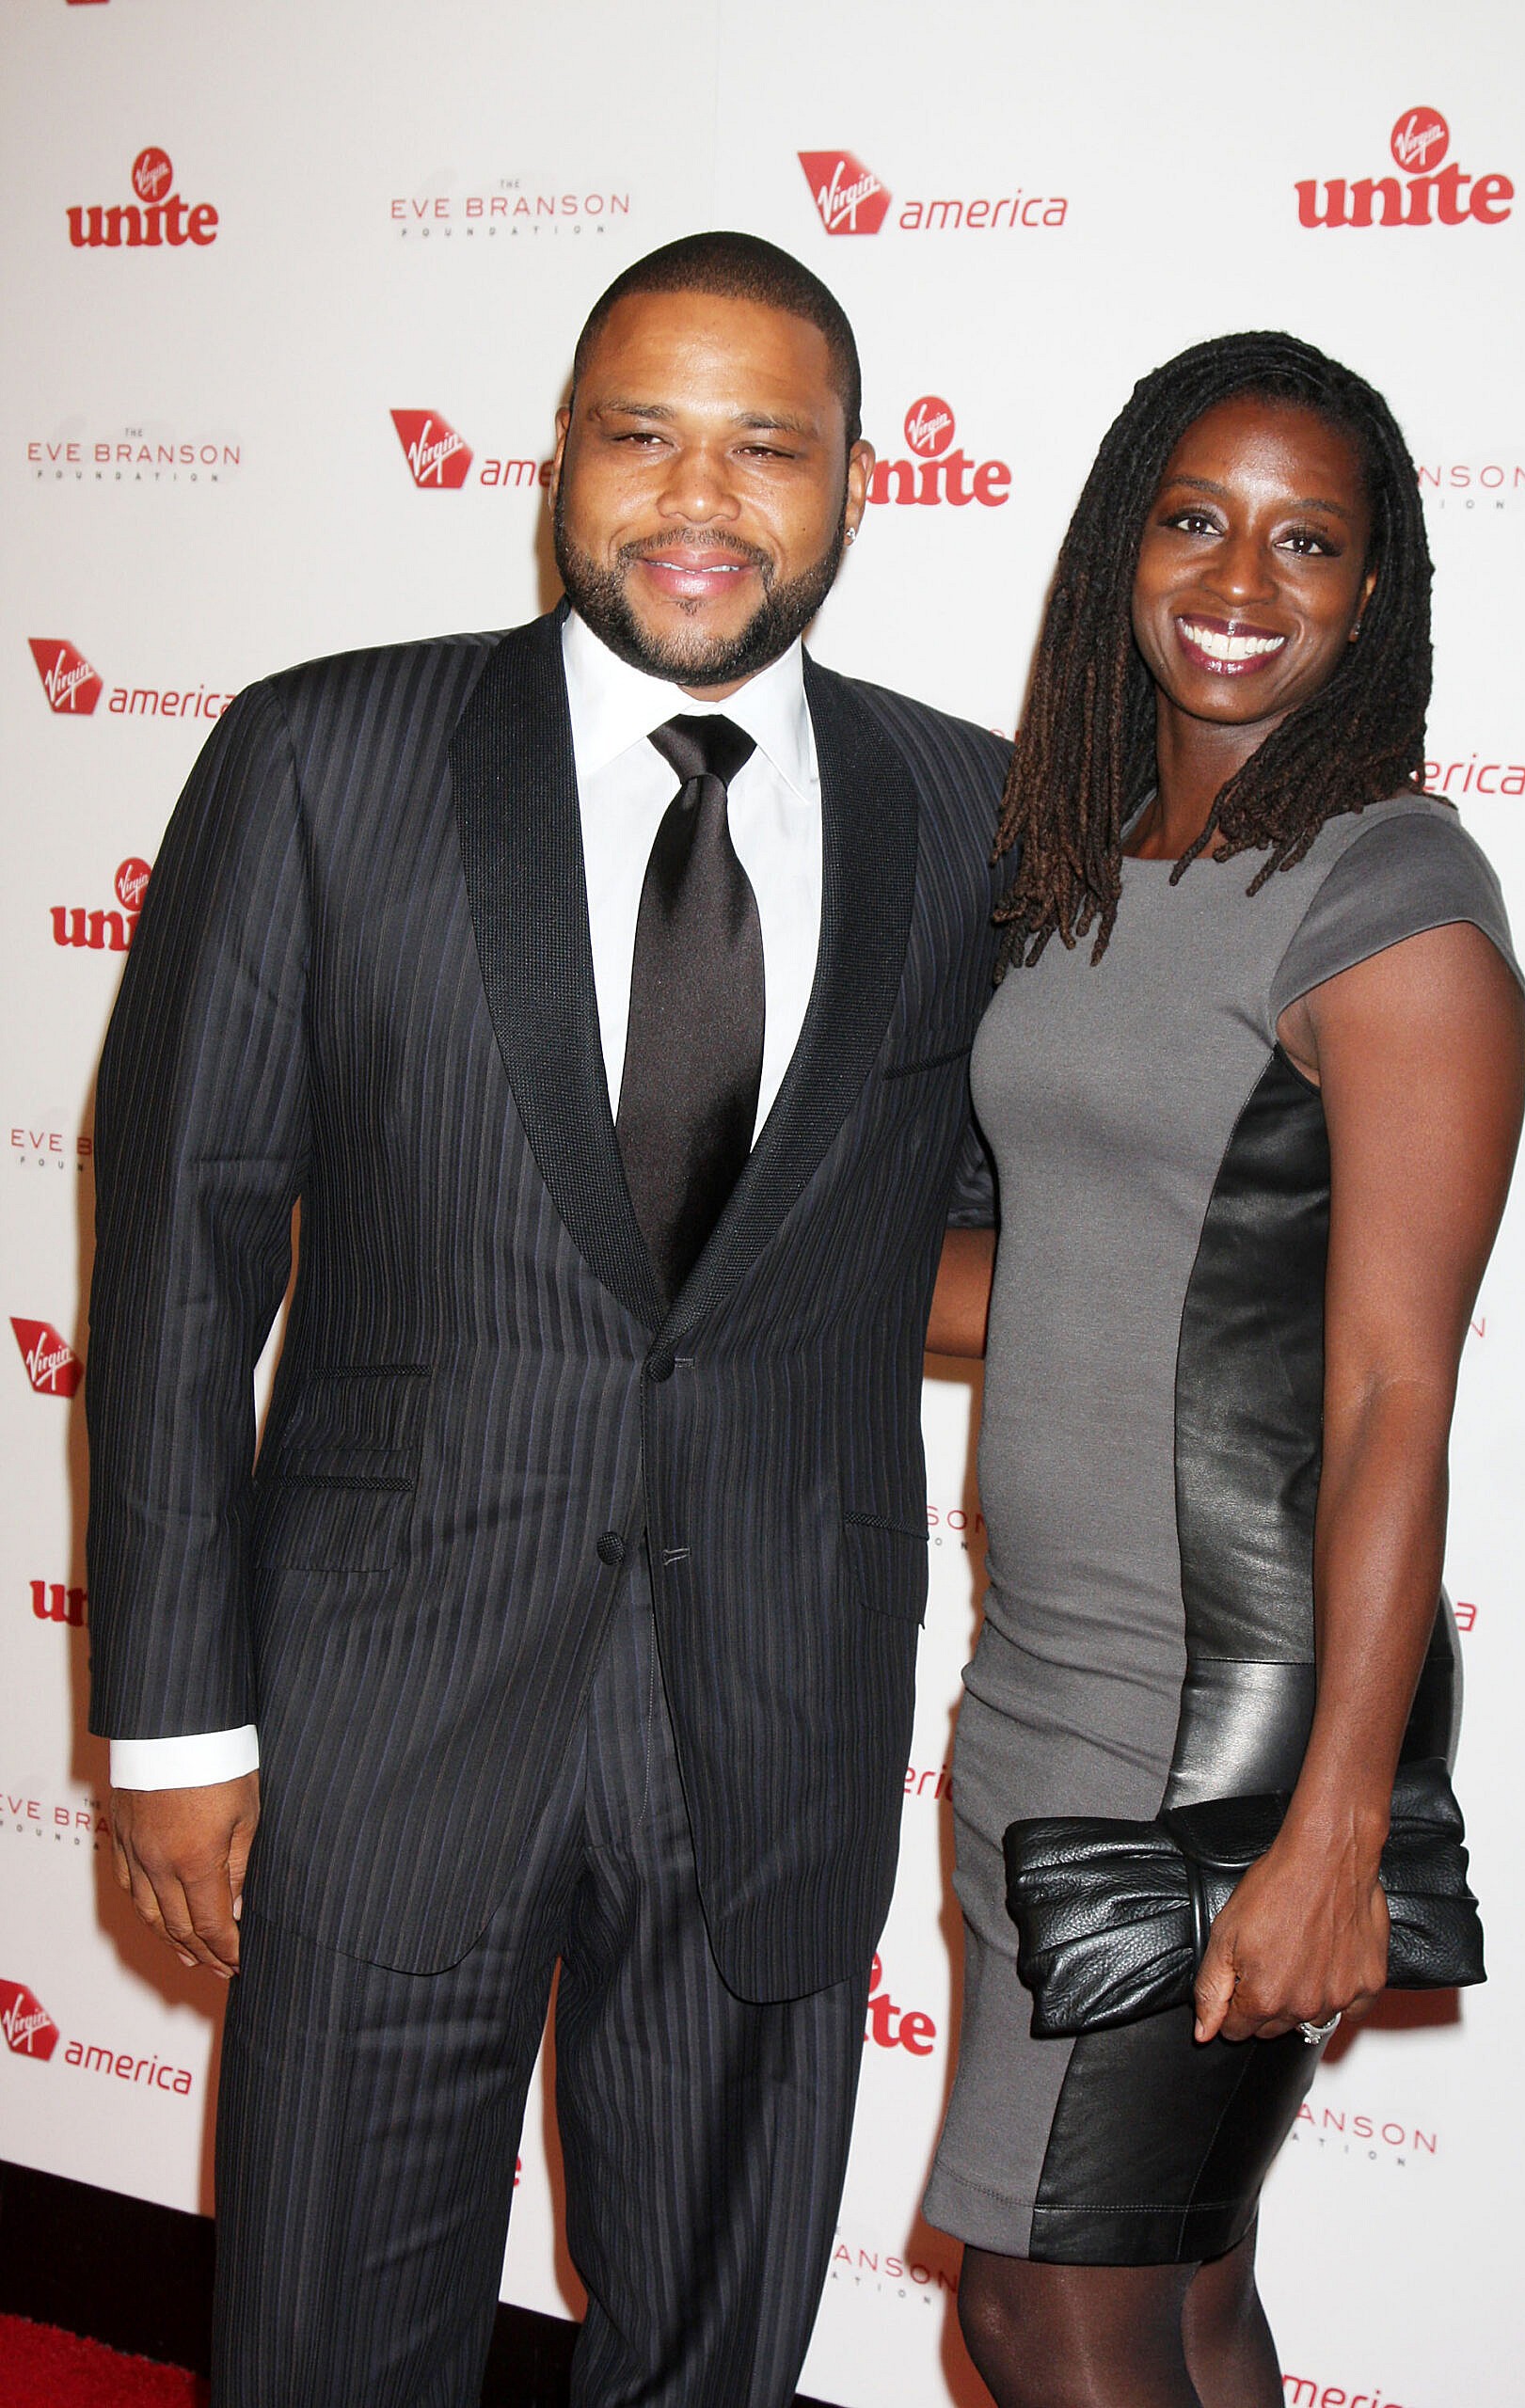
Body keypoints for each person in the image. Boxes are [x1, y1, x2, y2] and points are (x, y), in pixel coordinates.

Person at [86, 230, 1008, 2408]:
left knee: (712, 2351)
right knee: (323, 2336)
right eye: (643, 435)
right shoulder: (326, 760)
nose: (702, 496)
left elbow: (977, 1224)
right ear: (557, 465)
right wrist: (177, 1718)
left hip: (774, 1716)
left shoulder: (966, 818)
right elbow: (183, 1241)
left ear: (855, 484)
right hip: (387, 1710)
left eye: (766, 444)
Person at [920, 330, 1525, 2408]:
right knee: (1166, 2291)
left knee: (1039, 2302)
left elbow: (1387, 1388)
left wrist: (1333, 1823)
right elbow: (1065, 1272)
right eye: (1194, 518)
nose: (1239, 579)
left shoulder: (1386, 892)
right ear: (1119, 546)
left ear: (1373, 592)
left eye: (1306, 541)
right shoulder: (1089, 871)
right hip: (1045, 1675)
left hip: (1226, 1715)